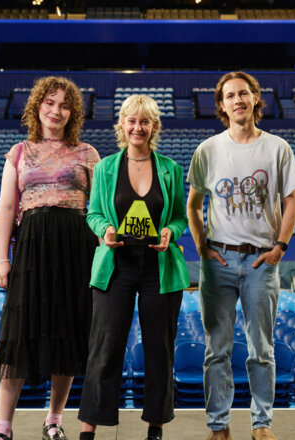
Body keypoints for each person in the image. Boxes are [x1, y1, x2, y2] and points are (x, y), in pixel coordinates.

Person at [186, 72, 295, 440]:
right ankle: (219, 425)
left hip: (260, 262)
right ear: (221, 105)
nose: (237, 100)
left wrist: (279, 248)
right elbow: (193, 204)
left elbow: (291, 201)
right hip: (218, 261)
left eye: (243, 93)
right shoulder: (208, 150)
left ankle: (261, 423)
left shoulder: (277, 148)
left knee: (261, 349)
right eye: (230, 95)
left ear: (255, 99)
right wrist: (202, 246)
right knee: (216, 350)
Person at [0, 76, 100, 440]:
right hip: (32, 249)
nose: (57, 110)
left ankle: (54, 419)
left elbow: (100, 210)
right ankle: (3, 428)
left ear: (74, 113)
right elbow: (7, 206)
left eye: (65, 105)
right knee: (18, 335)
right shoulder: (19, 151)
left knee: (66, 335)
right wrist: (1, 259)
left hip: (76, 248)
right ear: (38, 106)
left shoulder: (88, 153)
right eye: (50, 102)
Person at [78, 95, 190, 440]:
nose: (137, 128)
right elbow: (94, 213)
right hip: (117, 265)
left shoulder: (170, 168)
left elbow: (180, 217)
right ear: (122, 125)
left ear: (153, 127)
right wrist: (104, 231)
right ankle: (88, 428)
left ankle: (155, 426)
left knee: (159, 347)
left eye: (145, 122)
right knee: (105, 347)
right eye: (131, 121)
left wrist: (171, 231)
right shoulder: (105, 168)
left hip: (159, 265)